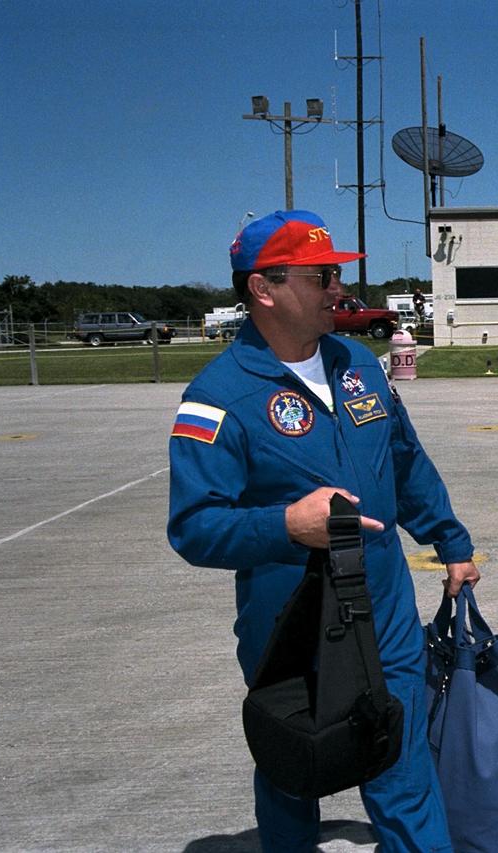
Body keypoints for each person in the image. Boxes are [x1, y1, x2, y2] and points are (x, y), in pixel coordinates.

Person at [167, 210, 479, 852]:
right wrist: (286, 524)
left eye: (337, 274)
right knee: (293, 771)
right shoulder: (217, 395)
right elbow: (195, 527)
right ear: (264, 288)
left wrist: (451, 541)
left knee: (402, 764)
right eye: (321, 276)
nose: (337, 288)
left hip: (385, 605)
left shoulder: (358, 365)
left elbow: (405, 461)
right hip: (290, 620)